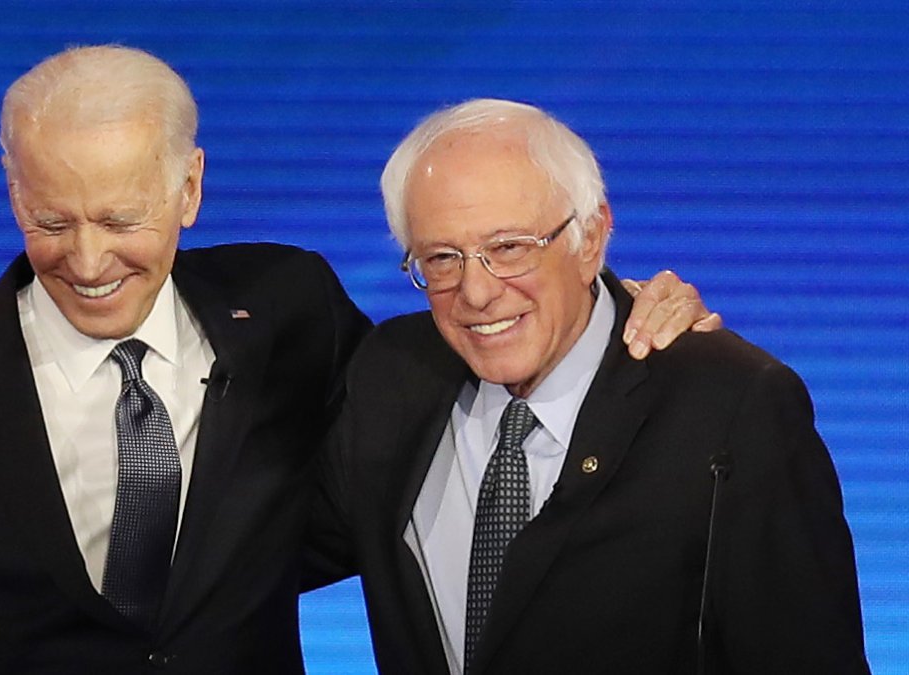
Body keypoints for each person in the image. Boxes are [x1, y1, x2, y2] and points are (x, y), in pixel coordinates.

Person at [0, 46, 717, 673]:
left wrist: (601, 293)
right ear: (14, 190)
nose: (87, 262)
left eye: (122, 220)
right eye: (52, 221)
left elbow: (459, 388)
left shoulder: (289, 308)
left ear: (190, 188)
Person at [309, 99, 869, 674]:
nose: (475, 292)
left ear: (591, 239)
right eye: (443, 258)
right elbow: (242, 545)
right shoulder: (392, 377)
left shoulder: (731, 407)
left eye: (508, 248)